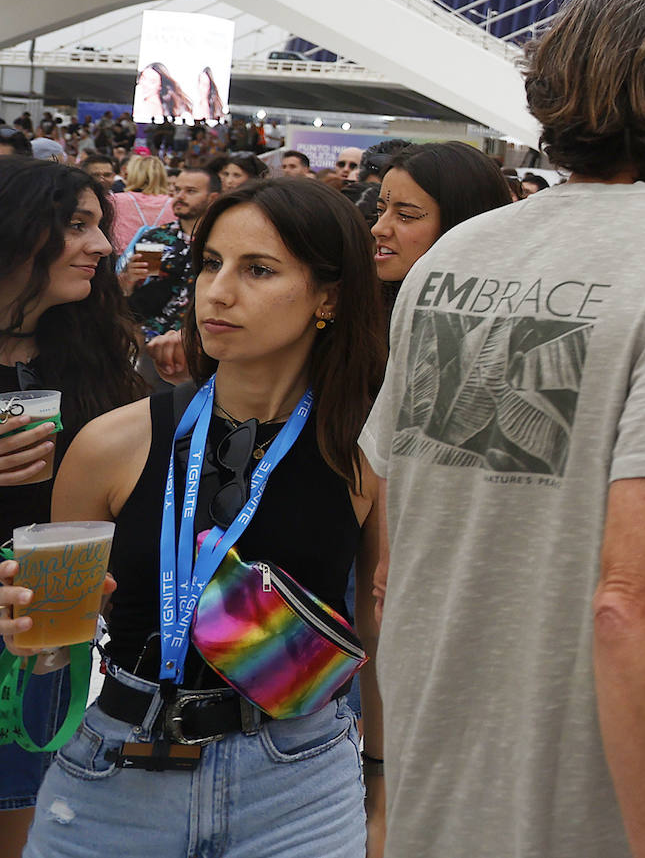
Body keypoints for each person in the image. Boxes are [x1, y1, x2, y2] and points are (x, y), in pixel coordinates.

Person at [361, 0, 645, 857]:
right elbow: (638, 599)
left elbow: (398, 546)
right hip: (604, 813)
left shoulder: (452, 259)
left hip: (444, 794)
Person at [1, 178, 387, 856]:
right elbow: (49, 694)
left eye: (258, 269)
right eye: (211, 262)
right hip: (116, 772)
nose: (218, 290)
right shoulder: (110, 446)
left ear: (327, 296)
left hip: (300, 782)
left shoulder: (364, 457)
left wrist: (381, 786)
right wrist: (38, 646)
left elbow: (383, 639)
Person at [0, 159, 145, 856]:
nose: (103, 246)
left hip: (48, 631)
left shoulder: (94, 355)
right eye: (77, 225)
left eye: (100, 226)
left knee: (26, 809)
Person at [371, 140, 513, 302]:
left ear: (463, 223)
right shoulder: (362, 307)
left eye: (405, 215)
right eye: (380, 210)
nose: (378, 229)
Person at [119, 169, 221, 386]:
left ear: (212, 198)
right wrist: (128, 282)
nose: (180, 196)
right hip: (154, 347)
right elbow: (134, 294)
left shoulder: (224, 241)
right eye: (177, 190)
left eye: (190, 191)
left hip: (207, 346)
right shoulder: (156, 238)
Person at [110, 154, 175, 253]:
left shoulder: (115, 201)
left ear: (132, 174)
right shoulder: (175, 204)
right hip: (165, 259)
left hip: (124, 261)